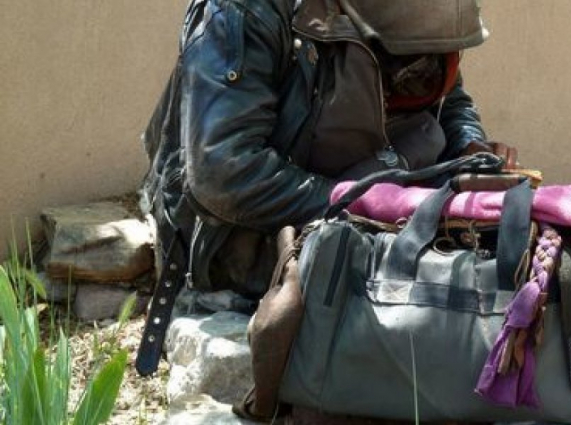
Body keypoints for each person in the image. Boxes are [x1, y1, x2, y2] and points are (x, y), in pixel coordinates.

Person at [136, 0, 511, 375]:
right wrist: (358, 203)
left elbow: (447, 96)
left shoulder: (422, 22)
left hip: (367, 205)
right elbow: (223, 175)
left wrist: (469, 147)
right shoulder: (247, 10)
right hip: (249, 235)